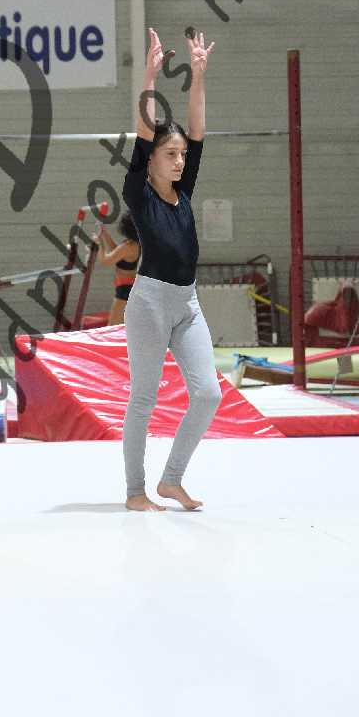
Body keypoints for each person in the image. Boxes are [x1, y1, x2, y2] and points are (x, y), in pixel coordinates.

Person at [121, 27, 220, 513]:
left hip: (187, 302)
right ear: (151, 161)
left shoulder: (185, 190)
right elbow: (144, 130)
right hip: (150, 303)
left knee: (208, 394)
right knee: (144, 399)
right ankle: (135, 491)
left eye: (182, 155)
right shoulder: (138, 193)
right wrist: (150, 76)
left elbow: (197, 130)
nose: (180, 161)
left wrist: (198, 76)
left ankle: (171, 480)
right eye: (170, 154)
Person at [95, 211, 141, 324]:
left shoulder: (127, 247)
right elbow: (116, 251)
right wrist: (105, 234)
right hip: (128, 287)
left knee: (112, 325)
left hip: (125, 289)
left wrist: (99, 244)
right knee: (121, 325)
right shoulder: (133, 244)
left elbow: (105, 261)